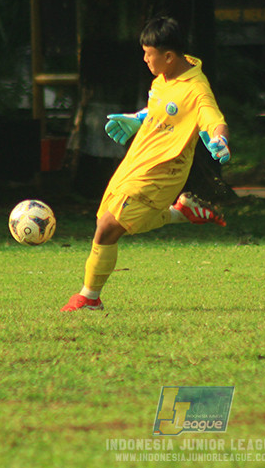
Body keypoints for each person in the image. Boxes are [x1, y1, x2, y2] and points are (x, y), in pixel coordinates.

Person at [61, 16, 231, 312]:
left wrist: (221, 140)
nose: (144, 59)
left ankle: (89, 297)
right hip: (135, 163)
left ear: (167, 56)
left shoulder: (196, 90)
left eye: (148, 54)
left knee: (108, 228)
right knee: (107, 220)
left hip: (163, 173)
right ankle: (181, 212)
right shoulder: (165, 76)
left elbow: (214, 120)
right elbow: (161, 108)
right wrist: (137, 118)